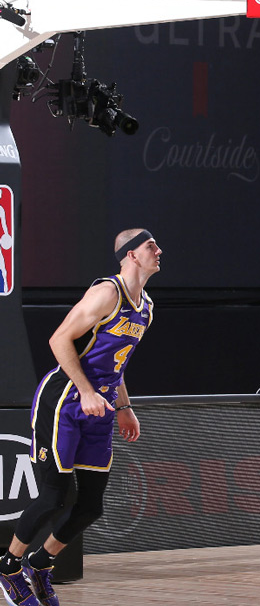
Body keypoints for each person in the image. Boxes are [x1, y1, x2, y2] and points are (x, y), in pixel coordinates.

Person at [0, 229, 161, 606]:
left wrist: (124, 407)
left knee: (91, 505)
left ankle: (40, 563)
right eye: (150, 246)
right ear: (130, 255)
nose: (159, 251)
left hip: (100, 407)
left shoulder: (146, 308)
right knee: (54, 497)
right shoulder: (108, 292)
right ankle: (9, 565)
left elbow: (115, 365)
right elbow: (59, 340)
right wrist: (87, 391)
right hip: (65, 401)